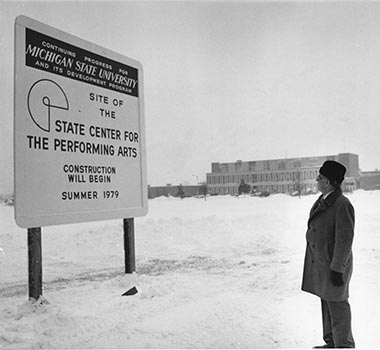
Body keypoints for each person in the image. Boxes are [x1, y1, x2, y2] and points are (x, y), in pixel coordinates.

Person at [301, 160, 355, 348]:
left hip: (334, 265)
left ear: (329, 182)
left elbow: (344, 240)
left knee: (338, 306)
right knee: (327, 303)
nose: (317, 179)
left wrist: (337, 268)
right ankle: (331, 342)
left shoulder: (342, 204)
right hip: (324, 263)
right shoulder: (323, 200)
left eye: (320, 177)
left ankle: (344, 345)